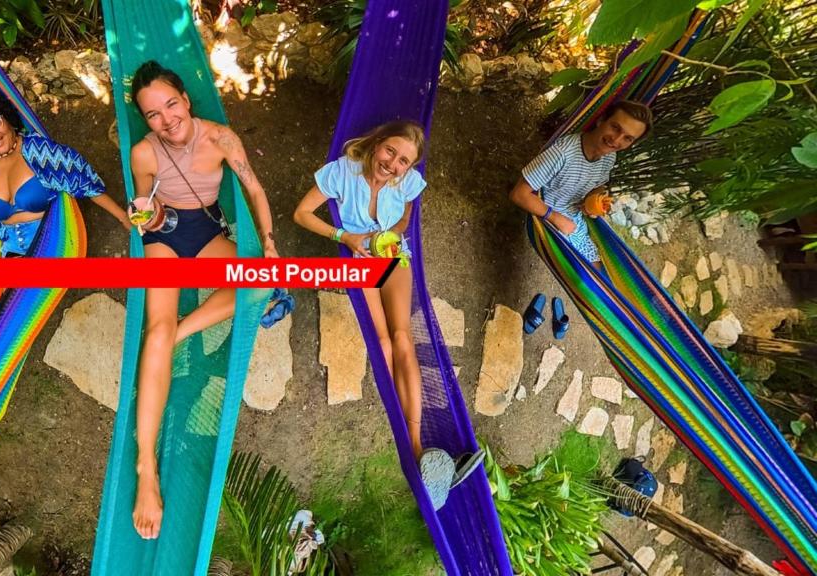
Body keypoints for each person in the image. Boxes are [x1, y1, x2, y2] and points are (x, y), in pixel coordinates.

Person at [128, 60, 279, 539]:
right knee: (154, 328)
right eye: (153, 114)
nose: (166, 119)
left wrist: (269, 244)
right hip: (166, 236)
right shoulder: (143, 154)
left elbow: (254, 189)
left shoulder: (221, 138)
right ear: (146, 120)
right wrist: (146, 218)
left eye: (170, 104)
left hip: (208, 228)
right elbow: (146, 215)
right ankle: (146, 470)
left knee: (261, 281)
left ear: (186, 99)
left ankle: (181, 331)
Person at [293, 120, 478, 509]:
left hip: (393, 255)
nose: (393, 164)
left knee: (402, 340)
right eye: (390, 152)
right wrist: (345, 237)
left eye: (404, 161)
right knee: (381, 344)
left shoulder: (408, 182)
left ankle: (422, 451)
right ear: (377, 143)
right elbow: (302, 214)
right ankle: (419, 455)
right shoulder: (342, 170)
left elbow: (407, 218)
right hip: (358, 259)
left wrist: (388, 235)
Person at [0, 80, 131, 256]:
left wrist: (123, 217)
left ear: (7, 117)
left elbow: (86, 183)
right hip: (12, 256)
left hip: (52, 248)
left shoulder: (40, 151)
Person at [510, 100, 653, 268]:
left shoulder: (609, 157)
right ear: (601, 120)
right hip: (548, 218)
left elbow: (597, 186)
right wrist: (557, 218)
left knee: (606, 274)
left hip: (574, 219)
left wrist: (594, 201)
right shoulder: (563, 153)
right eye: (615, 128)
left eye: (627, 138)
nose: (616, 140)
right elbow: (519, 194)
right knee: (587, 279)